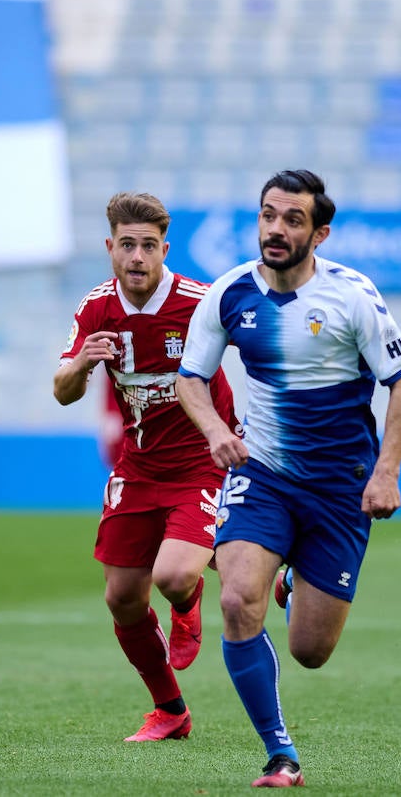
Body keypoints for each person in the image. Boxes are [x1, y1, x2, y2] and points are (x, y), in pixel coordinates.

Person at [175, 170, 401, 788]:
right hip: (262, 473)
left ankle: (292, 576)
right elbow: (190, 377)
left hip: (341, 487)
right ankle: (279, 753)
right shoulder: (230, 293)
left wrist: (386, 472)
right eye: (268, 215)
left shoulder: (352, 295)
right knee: (236, 599)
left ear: (319, 233)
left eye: (292, 219)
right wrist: (215, 430)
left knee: (310, 650)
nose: (276, 229)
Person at [54, 192, 238, 743]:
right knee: (122, 598)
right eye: (127, 245)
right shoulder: (96, 308)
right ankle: (170, 711)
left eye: (149, 246)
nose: (137, 256)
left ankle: (190, 598)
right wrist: (83, 362)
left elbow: (259, 352)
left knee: (174, 576)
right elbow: (62, 391)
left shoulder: (200, 303)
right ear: (110, 247)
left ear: (165, 250)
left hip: (201, 462)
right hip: (138, 468)